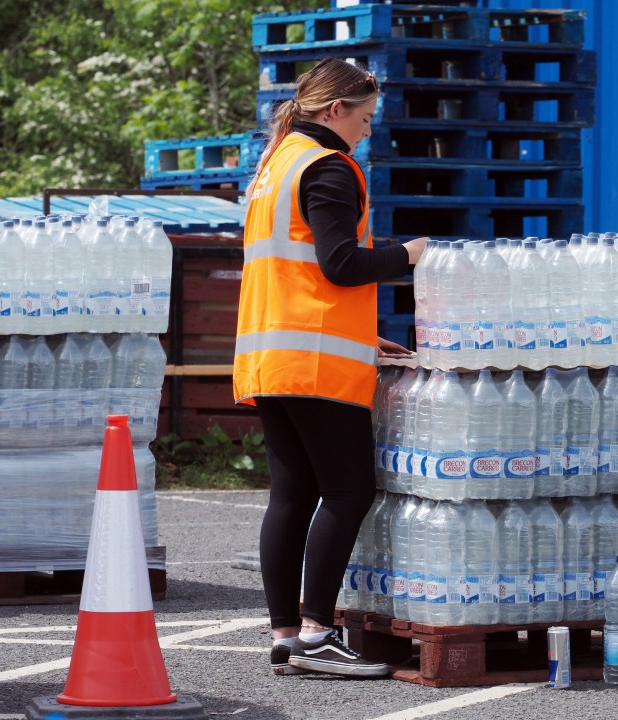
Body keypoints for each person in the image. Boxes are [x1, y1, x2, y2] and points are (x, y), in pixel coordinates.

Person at [233, 58, 428, 678]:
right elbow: (341, 262)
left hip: (271, 353)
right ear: (334, 110)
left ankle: (287, 636)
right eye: (365, 118)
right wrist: (408, 253)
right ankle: (318, 633)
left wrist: (356, 331)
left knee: (292, 495)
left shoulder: (276, 165)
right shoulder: (328, 167)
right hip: (313, 364)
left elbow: (296, 273)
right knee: (348, 489)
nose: (368, 131)